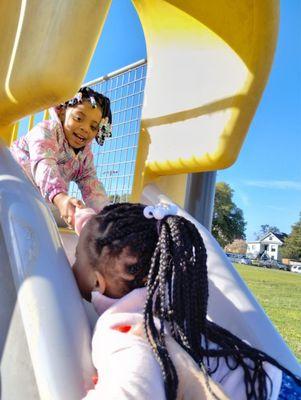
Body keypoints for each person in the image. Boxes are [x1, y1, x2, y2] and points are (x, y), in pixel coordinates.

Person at [72, 202, 301, 400]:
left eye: (76, 257)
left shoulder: (127, 334)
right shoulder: (170, 294)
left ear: (97, 282)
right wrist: (83, 218)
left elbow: (134, 391)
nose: (72, 264)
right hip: (275, 382)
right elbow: (104, 247)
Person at [10, 86, 112, 228]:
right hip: (10, 183)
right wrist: (61, 197)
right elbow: (44, 164)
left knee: (61, 220)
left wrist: (108, 215)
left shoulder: (85, 156)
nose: (85, 128)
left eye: (93, 127)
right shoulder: (47, 131)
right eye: (78, 118)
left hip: (38, 197)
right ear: (63, 112)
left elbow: (92, 185)